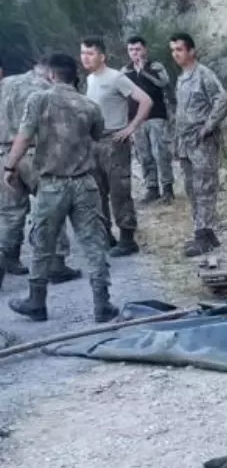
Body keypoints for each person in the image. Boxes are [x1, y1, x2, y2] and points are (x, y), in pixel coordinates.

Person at [3, 52, 118, 324]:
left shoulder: (39, 99)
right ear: (72, 74)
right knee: (93, 244)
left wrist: (10, 166)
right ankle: (102, 303)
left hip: (52, 184)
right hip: (85, 183)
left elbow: (24, 136)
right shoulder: (89, 105)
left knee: (42, 243)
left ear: (51, 75)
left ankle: (37, 301)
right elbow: (97, 136)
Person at [0, 61, 80, 283]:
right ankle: (56, 264)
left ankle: (7, 258)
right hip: (37, 153)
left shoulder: (4, 83)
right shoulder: (46, 89)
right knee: (52, 206)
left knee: (9, 213)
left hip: (4, 154)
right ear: (51, 72)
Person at [80, 36, 152, 256]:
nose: (85, 58)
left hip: (114, 141)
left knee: (119, 191)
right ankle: (106, 235)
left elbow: (145, 100)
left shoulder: (115, 77)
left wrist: (131, 128)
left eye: (90, 53)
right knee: (98, 192)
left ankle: (128, 238)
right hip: (94, 142)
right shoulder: (91, 79)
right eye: (82, 53)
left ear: (102, 56)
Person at [170, 33, 227, 257]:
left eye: (180, 50)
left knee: (205, 187)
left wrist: (208, 127)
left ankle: (203, 234)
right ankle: (203, 231)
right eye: (173, 50)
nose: (176, 54)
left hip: (201, 142)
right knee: (191, 188)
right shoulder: (183, 77)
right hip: (185, 142)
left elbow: (222, 100)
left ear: (191, 51)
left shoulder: (203, 74)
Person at [124, 36, 175, 205]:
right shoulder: (125, 71)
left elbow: (164, 83)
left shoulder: (155, 66)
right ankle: (151, 188)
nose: (134, 53)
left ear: (145, 49)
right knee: (144, 155)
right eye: (131, 50)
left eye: (137, 49)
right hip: (136, 120)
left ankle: (167, 188)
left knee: (161, 153)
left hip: (156, 116)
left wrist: (144, 70)